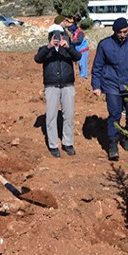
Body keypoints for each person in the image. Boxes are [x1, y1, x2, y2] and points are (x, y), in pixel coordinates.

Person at [91, 17, 128, 161]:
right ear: (114, 31)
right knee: (115, 115)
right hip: (112, 86)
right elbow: (97, 67)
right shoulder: (104, 45)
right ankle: (113, 144)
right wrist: (96, 86)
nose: (123, 35)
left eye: (126, 32)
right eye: (120, 32)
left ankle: (127, 138)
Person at [34, 24, 81, 157]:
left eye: (59, 34)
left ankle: (67, 143)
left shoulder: (67, 49)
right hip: (51, 86)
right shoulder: (45, 49)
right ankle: (53, 145)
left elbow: (78, 57)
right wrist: (49, 47)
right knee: (51, 117)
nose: (57, 37)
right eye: (54, 35)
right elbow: (37, 59)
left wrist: (69, 47)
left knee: (69, 116)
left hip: (67, 85)